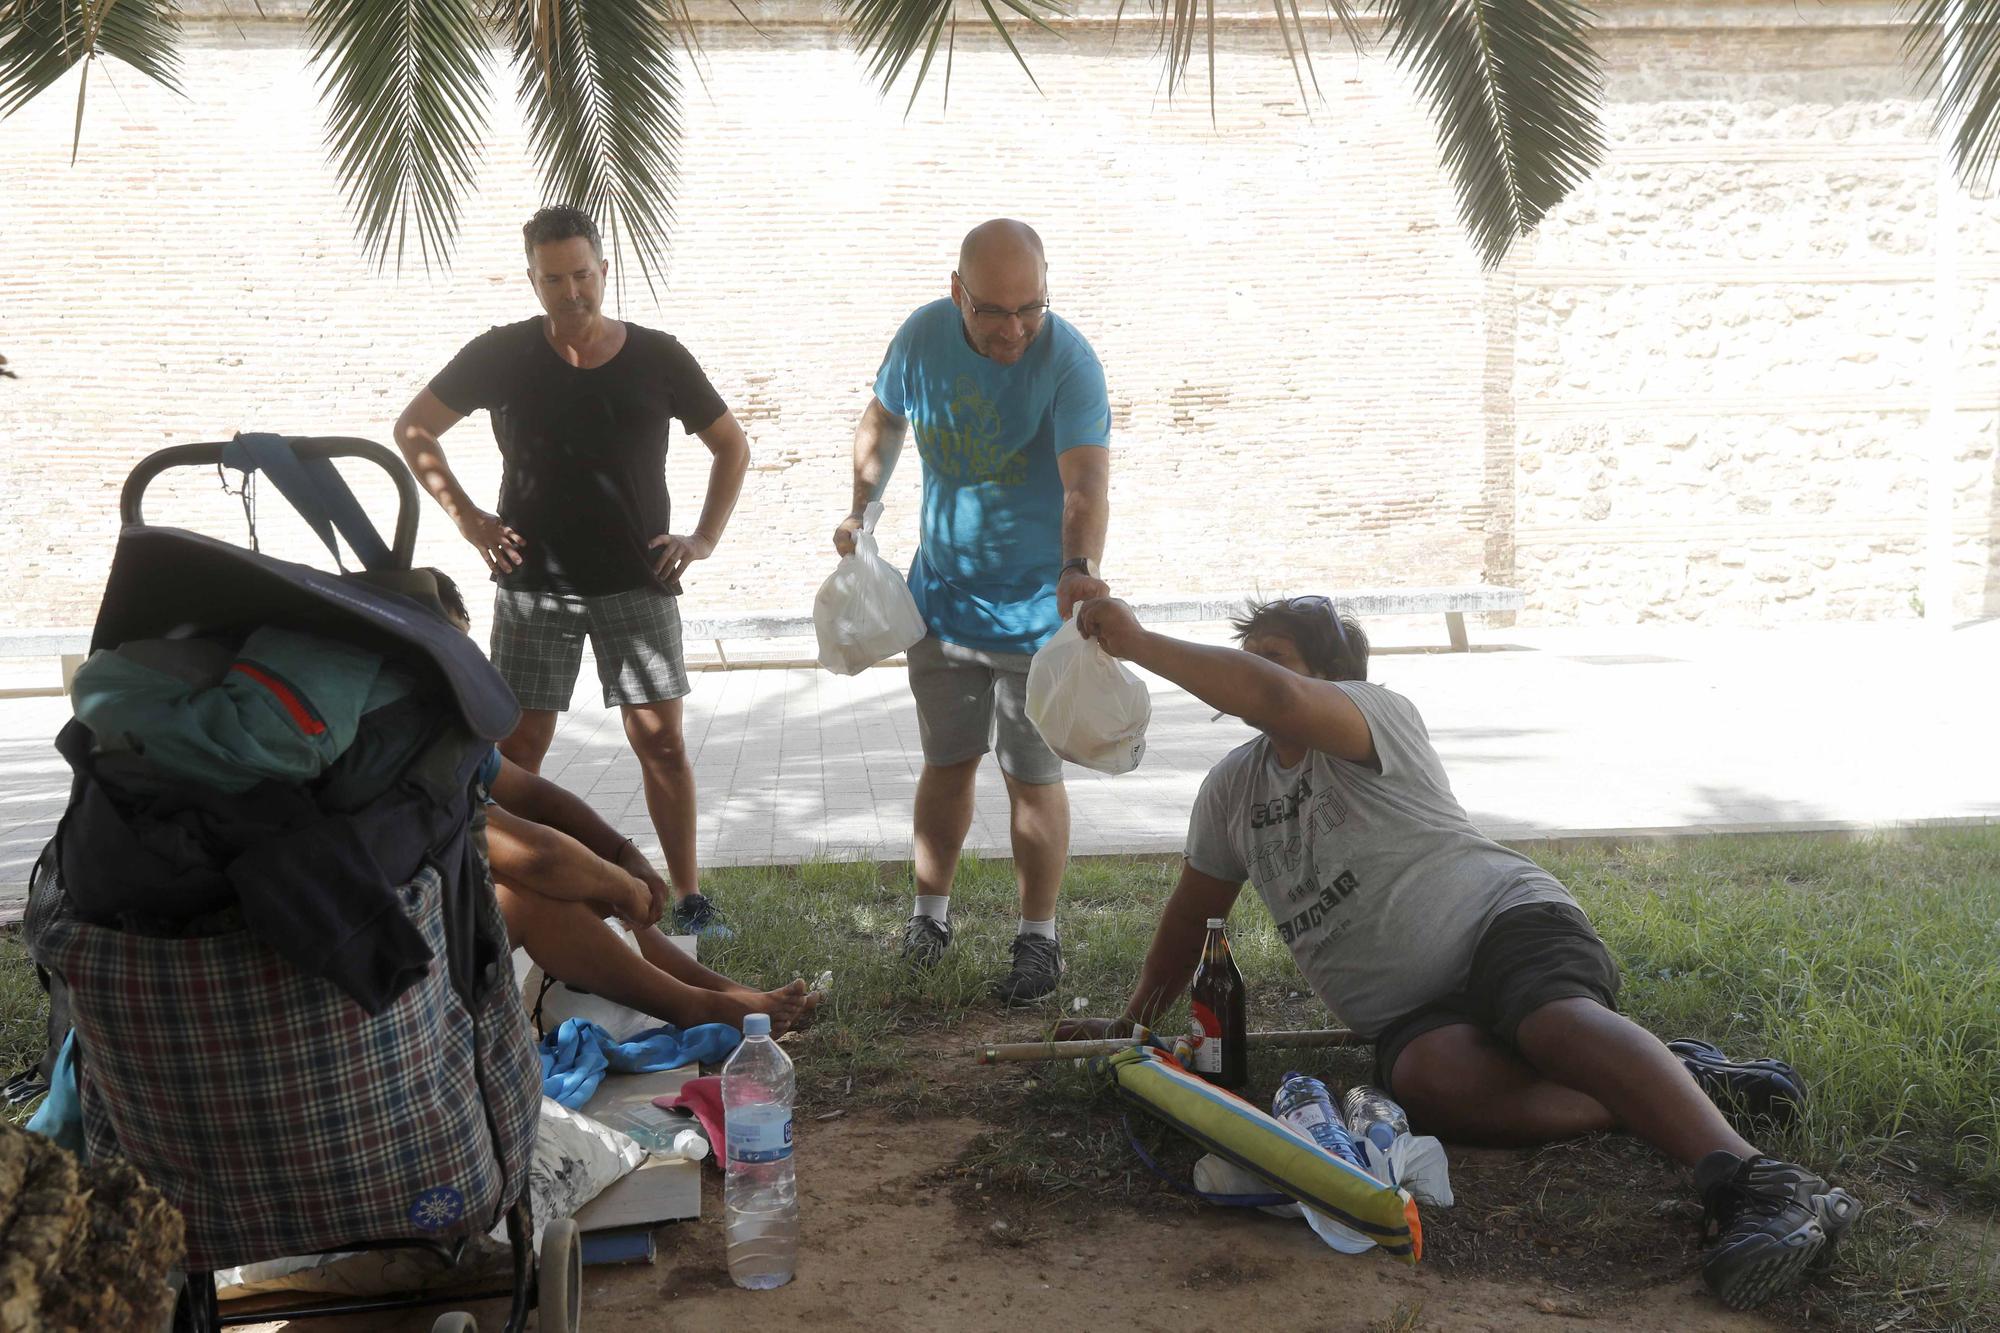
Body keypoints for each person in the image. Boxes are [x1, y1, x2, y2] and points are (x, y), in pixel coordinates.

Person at [1058, 595, 1859, 1312]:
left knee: (1551, 1025)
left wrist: (1137, 641)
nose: (1249, 672)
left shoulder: (1375, 715)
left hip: (1503, 922)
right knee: (1430, 1085)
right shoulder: (1232, 789)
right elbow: (1193, 916)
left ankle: (1759, 1181)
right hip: (1413, 1012)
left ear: (1333, 676)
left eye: (1271, 654)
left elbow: (1274, 697)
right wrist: (1132, 1026)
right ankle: (1668, 1080)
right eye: (1249, 652)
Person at [393, 204, 746, 940]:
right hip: (533, 587)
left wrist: (704, 538)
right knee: (516, 752)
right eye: (553, 279)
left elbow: (730, 446)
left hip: (638, 579)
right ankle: (510, 890)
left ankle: (690, 900)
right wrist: (469, 520)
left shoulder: (658, 355)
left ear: (603, 271)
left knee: (664, 745)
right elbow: (413, 427)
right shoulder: (501, 354)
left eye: (582, 275)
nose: (571, 291)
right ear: (533, 280)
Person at [834, 219, 1112, 1005]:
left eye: (1031, 307)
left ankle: (1038, 938)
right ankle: (929, 918)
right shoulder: (923, 337)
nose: (1015, 328)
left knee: (1033, 774)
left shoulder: (1069, 359)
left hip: (1037, 611)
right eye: (993, 311)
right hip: (945, 600)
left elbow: (1085, 479)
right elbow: (883, 419)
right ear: (958, 292)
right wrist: (863, 508)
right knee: (946, 762)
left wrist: (1078, 568)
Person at [428, 571, 817, 1034]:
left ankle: (710, 989)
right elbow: (538, 856)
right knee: (536, 893)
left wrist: (622, 855)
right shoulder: (402, 743)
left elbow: (538, 798)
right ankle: (695, 1005)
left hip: (425, 923)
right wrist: (620, 885)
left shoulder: (433, 727)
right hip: (390, 957)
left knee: (577, 873)